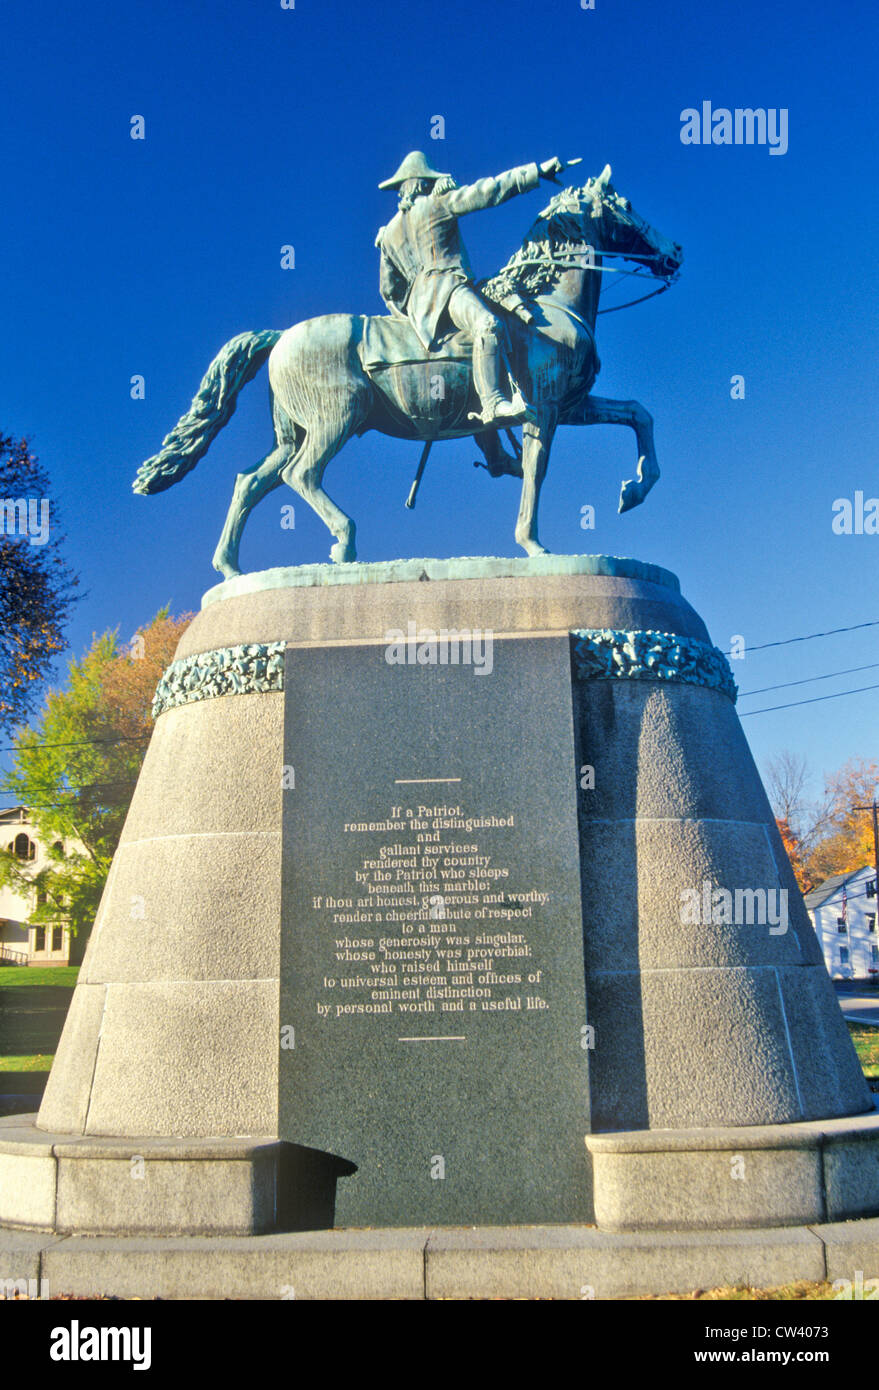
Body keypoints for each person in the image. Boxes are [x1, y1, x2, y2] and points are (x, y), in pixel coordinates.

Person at [376, 150, 564, 427]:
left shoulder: (388, 233)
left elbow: (388, 289)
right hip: (447, 288)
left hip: (418, 311)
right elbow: (489, 191)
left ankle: (494, 450)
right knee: (488, 325)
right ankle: (492, 402)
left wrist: (406, 314)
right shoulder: (437, 203)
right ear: (423, 182)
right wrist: (535, 172)